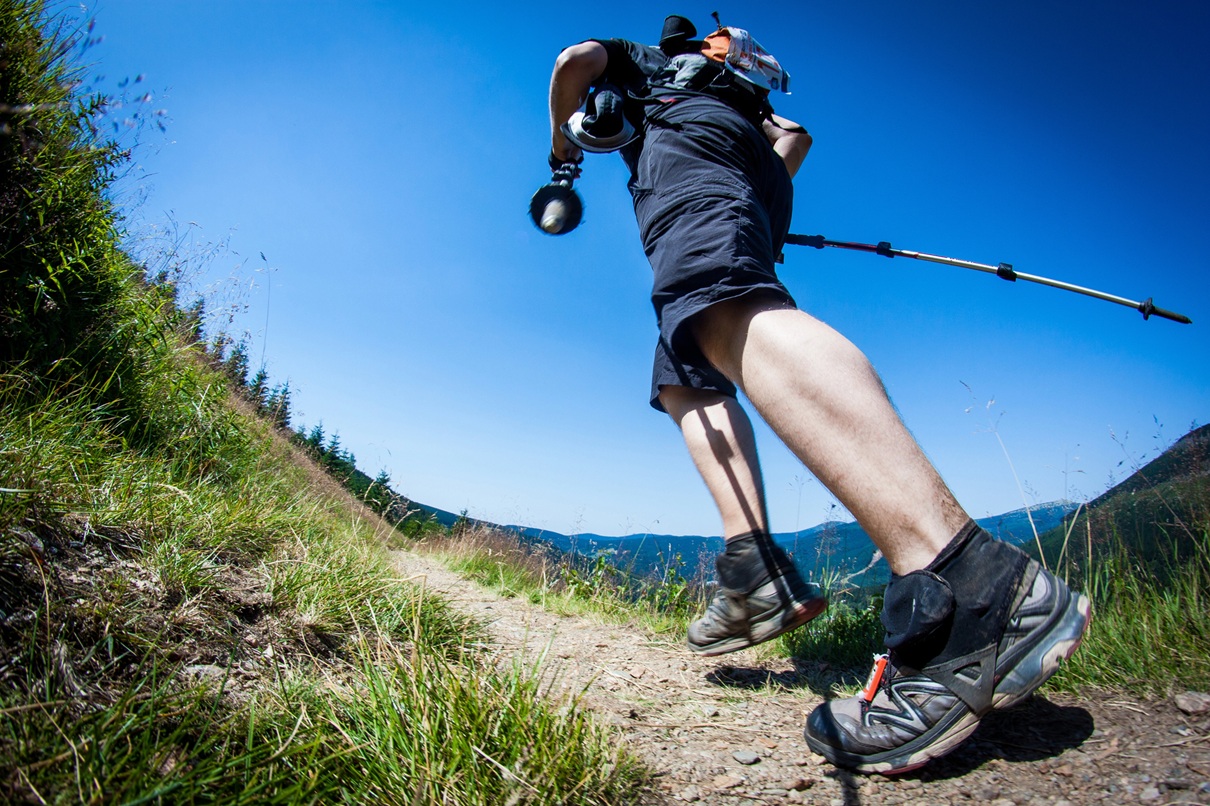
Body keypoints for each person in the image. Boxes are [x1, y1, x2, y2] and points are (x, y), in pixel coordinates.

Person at [544, 14, 1091, 774]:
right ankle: (752, 568)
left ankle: (975, 589)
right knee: (685, 368)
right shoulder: (751, 95)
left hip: (690, 161)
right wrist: (757, 199)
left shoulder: (648, 62)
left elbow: (574, 61)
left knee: (729, 306)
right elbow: (795, 138)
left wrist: (563, 148)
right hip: (744, 179)